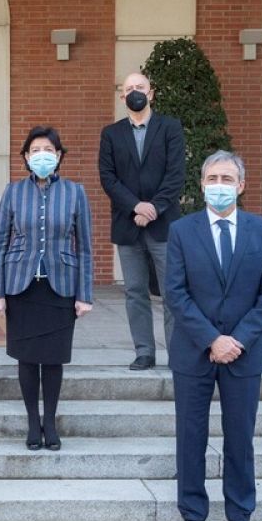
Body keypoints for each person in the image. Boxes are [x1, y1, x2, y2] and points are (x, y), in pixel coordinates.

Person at [163, 151, 262, 521]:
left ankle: (240, 519)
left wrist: (237, 340)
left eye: (227, 178)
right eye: (212, 178)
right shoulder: (182, 231)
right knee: (191, 436)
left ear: (241, 185)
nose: (219, 185)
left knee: (240, 438)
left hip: (244, 354)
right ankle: (192, 518)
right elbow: (175, 293)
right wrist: (212, 339)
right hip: (194, 351)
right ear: (201, 185)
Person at [0, 126, 93, 451]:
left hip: (60, 287)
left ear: (59, 155)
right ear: (26, 156)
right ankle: (33, 422)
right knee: (27, 359)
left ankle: (51, 421)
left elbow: (85, 247)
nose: (42, 155)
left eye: (48, 149)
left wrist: (84, 295)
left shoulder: (75, 192)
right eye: (35, 150)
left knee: (54, 359)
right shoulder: (13, 192)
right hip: (21, 287)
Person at [99, 72, 185, 371]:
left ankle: (177, 353)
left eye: (140, 87)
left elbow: (176, 175)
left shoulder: (170, 128)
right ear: (122, 97)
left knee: (172, 292)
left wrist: (153, 208)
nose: (135, 92)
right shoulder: (111, 134)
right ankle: (144, 351)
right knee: (135, 291)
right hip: (127, 223)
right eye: (129, 89)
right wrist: (135, 206)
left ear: (152, 93)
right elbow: (108, 179)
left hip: (163, 224)